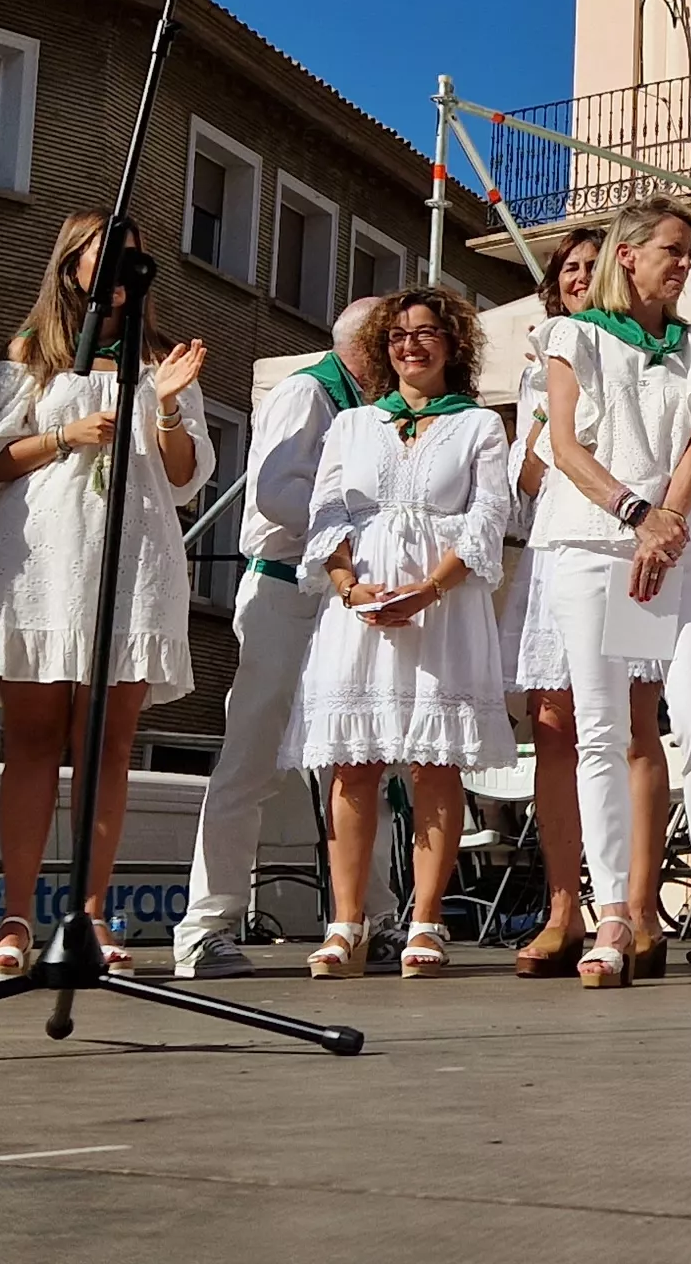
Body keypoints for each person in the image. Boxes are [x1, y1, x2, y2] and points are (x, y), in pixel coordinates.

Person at [0, 212, 212, 985]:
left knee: (107, 746)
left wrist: (167, 404)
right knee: (33, 741)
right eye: (103, 256)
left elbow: (183, 475)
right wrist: (67, 438)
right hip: (41, 555)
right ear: (70, 267)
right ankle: (16, 916)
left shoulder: (164, 360)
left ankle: (90, 912)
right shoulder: (29, 360)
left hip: (132, 556)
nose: (118, 270)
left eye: (133, 258)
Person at [526, 199, 691, 987]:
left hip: (679, 545)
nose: (683, 263)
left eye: (689, 251)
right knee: (601, 729)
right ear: (630, 255)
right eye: (672, 249)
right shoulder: (571, 336)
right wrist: (635, 514)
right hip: (591, 540)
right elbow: (566, 446)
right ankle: (611, 913)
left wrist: (669, 519)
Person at [294, 288, 518, 980]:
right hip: (360, 610)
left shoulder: (480, 426)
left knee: (434, 762)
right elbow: (325, 516)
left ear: (452, 345)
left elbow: (487, 520)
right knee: (353, 763)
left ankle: (425, 921)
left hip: (441, 609)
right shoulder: (353, 426)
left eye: (426, 334)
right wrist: (349, 587)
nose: (410, 345)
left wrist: (428, 587)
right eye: (397, 336)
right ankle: (346, 922)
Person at [177, 295, 392, 980]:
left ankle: (372, 918)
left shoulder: (362, 404)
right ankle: (205, 927)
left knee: (355, 760)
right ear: (369, 347)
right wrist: (367, 532)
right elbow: (275, 492)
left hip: (331, 592)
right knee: (253, 757)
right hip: (286, 589)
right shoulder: (309, 393)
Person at [504, 227, 607, 978]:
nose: (580, 276)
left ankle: (625, 910)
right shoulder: (538, 372)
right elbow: (529, 477)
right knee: (553, 721)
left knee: (628, 723)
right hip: (557, 550)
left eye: (595, 266)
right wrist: (548, 430)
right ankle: (564, 908)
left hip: (631, 552)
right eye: (570, 267)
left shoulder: (652, 348)